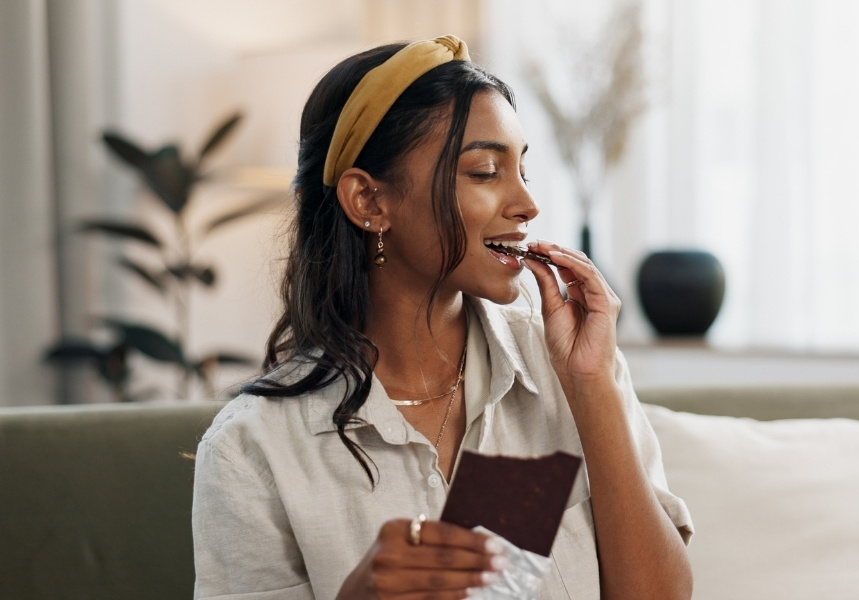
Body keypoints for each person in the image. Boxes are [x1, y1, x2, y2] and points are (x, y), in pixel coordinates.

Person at [192, 35, 693, 600]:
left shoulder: (572, 367)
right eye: (484, 171)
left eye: (522, 169)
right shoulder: (252, 448)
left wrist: (591, 386)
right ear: (370, 203)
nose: (527, 203)